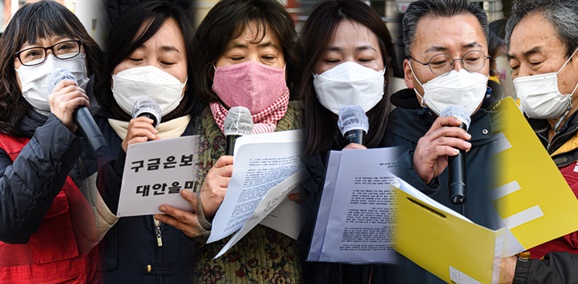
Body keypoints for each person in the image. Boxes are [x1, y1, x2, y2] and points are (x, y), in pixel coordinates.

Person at [175, 0, 303, 282]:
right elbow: (155, 242)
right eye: (236, 57)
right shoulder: (188, 130)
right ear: (212, 66)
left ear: (286, 64)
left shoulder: (311, 127)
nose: (252, 70)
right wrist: (203, 213)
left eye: (268, 57)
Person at [380, 0, 504, 282]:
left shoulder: (523, 135)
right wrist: (411, 174)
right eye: (439, 62)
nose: (459, 73)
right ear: (410, 74)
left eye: (472, 59)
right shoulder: (379, 139)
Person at [94, 1, 201, 282]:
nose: (151, 72)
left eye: (167, 62)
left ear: (188, 76)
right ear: (111, 72)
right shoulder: (85, 137)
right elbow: (72, 230)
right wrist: (122, 167)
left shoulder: (211, 136)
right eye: (134, 58)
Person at [0, 0, 106, 282]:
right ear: (13, 70)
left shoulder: (109, 124)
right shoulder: (2, 140)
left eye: (64, 48)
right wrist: (58, 126)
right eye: (33, 53)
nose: (52, 62)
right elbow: (9, 221)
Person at [297, 0, 400, 283]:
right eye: (332, 61)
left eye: (365, 59)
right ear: (311, 68)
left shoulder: (408, 140)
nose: (350, 73)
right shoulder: (289, 141)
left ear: (384, 66)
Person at [502, 0, 578, 282]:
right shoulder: (507, 131)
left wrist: (522, 274)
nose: (523, 79)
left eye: (535, 62)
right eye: (515, 66)